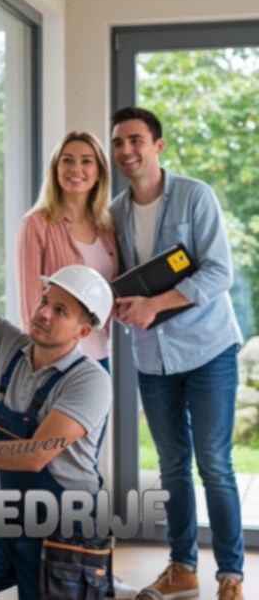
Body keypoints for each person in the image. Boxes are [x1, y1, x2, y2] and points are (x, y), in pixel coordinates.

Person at [0, 181, 113, 600]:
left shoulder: (89, 380)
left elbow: (36, 455)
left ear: (82, 332)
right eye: (44, 301)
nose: (43, 313)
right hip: (11, 515)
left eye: (60, 311)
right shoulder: (13, 348)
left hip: (65, 528)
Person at [110, 106, 244, 600]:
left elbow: (220, 272)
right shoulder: (115, 213)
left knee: (214, 462)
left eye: (136, 140)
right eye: (119, 142)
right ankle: (182, 567)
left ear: (158, 146)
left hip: (209, 349)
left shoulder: (194, 196)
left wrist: (154, 304)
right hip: (153, 357)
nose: (127, 150)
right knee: (171, 465)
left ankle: (230, 574)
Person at [17, 131, 119, 368]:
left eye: (86, 161)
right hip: (58, 360)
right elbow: (30, 305)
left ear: (99, 173)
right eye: (67, 160)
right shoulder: (35, 225)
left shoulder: (106, 227)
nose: (76, 169)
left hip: (100, 356)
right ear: (56, 169)